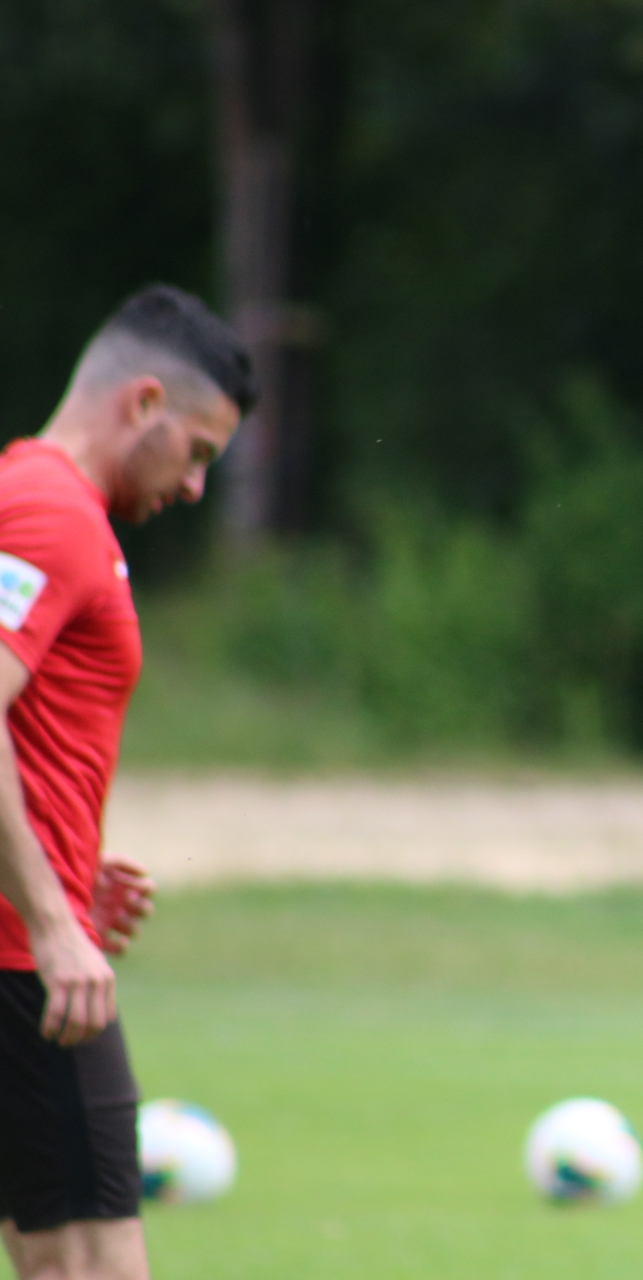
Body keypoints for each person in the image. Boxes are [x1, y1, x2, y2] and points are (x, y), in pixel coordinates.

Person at [0, 285, 255, 1280]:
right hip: (23, 970)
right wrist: (51, 918)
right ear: (144, 401)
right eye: (196, 451)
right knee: (90, 1266)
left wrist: (58, 870)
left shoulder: (27, 496)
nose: (194, 486)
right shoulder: (50, 512)